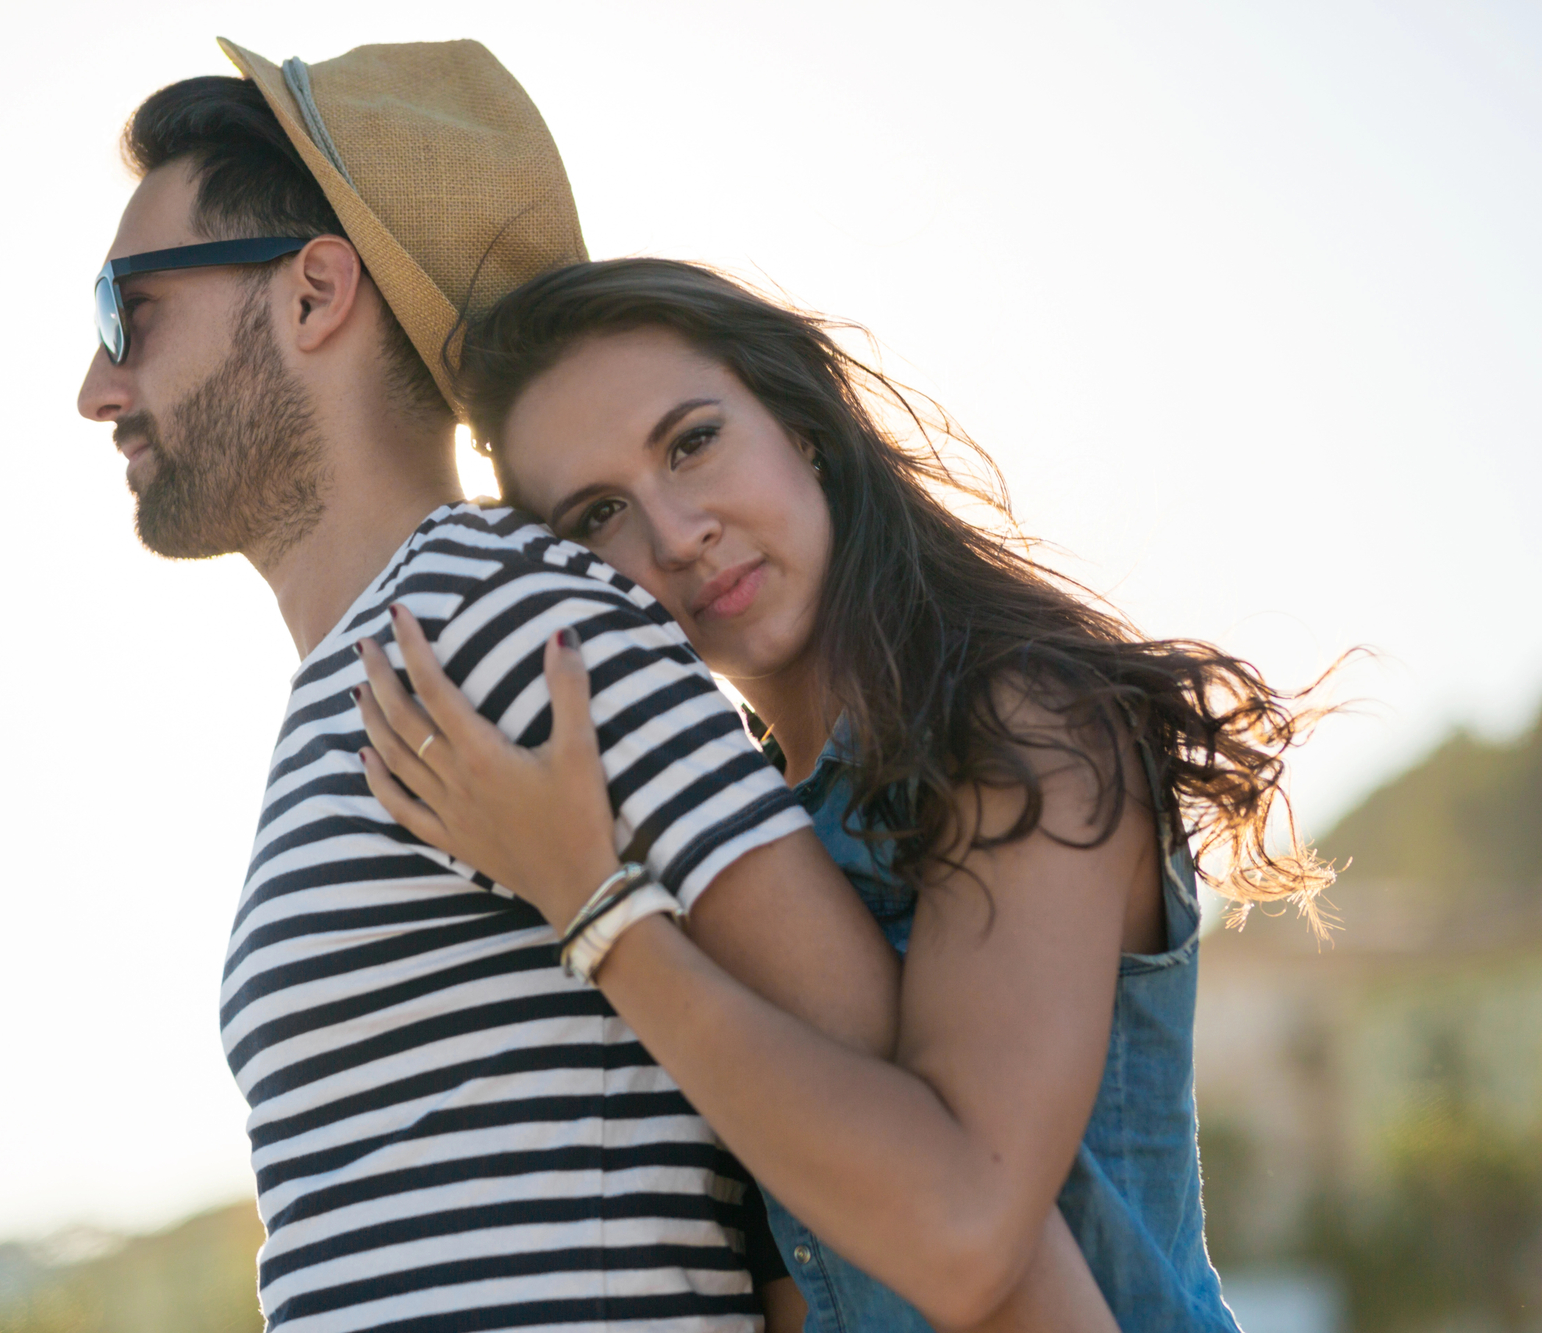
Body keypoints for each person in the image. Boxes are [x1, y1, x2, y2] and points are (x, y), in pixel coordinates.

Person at [76, 38, 1113, 1333]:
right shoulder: (395, 654)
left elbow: (900, 1123)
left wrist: (596, 906)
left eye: (129, 311)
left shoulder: (504, 620)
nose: (94, 386)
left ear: (312, 293)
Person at [351, 258, 1339, 1330]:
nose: (678, 535)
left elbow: (961, 1237)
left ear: (801, 424)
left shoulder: (1020, 724)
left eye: (692, 442)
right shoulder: (744, 851)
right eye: (598, 515)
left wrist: (592, 901)